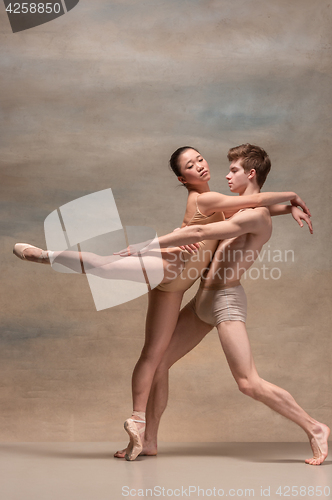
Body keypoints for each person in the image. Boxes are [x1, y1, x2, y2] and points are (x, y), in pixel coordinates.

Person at [13, 147, 311, 461]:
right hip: (170, 268)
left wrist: (286, 209)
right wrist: (292, 195)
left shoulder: (220, 204)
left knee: (155, 356)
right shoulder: (205, 199)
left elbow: (251, 212)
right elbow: (252, 203)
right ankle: (44, 255)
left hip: (177, 288)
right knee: (105, 266)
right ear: (183, 179)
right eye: (190, 166)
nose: (200, 165)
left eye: (200, 159)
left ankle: (143, 431)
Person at [122, 144, 329, 465]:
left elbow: (205, 228)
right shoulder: (242, 210)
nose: (226, 174)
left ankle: (315, 428)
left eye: (233, 170)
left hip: (225, 301)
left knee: (247, 382)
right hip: (201, 299)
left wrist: (144, 245)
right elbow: (238, 210)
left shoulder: (255, 215)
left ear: (251, 174)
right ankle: (149, 441)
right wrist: (289, 208)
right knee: (159, 362)